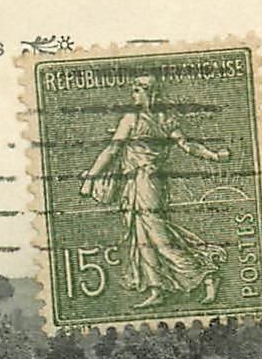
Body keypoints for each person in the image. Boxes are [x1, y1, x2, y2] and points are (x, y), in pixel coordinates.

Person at [79, 75, 231, 308]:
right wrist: (92, 175)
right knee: (142, 236)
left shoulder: (148, 118)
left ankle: (205, 275)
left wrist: (213, 155)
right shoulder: (143, 118)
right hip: (137, 183)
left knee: (159, 237)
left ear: (150, 92)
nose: (134, 94)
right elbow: (112, 150)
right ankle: (156, 289)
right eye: (133, 89)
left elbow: (186, 145)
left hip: (148, 181)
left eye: (137, 90)